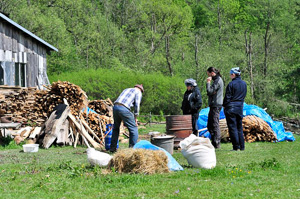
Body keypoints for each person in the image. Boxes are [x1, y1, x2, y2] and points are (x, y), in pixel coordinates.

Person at [109, 84, 144, 152]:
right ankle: (132, 150)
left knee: (116, 128)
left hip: (115, 107)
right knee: (133, 129)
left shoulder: (126, 89)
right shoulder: (138, 92)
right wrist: (135, 117)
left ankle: (112, 148)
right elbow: (137, 105)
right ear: (141, 89)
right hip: (124, 108)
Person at [223, 67, 247, 151]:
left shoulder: (231, 84)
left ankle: (236, 146)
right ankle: (242, 146)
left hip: (231, 107)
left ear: (233, 74)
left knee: (232, 127)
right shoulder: (244, 84)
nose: (230, 76)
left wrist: (225, 105)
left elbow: (227, 97)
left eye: (230, 74)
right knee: (239, 127)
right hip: (240, 107)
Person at [206, 67, 224, 149]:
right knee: (210, 125)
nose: (208, 76)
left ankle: (217, 143)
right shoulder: (216, 80)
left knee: (215, 124)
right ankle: (214, 141)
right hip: (213, 105)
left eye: (208, 74)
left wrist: (208, 83)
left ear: (212, 73)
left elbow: (209, 91)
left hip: (216, 105)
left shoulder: (217, 81)